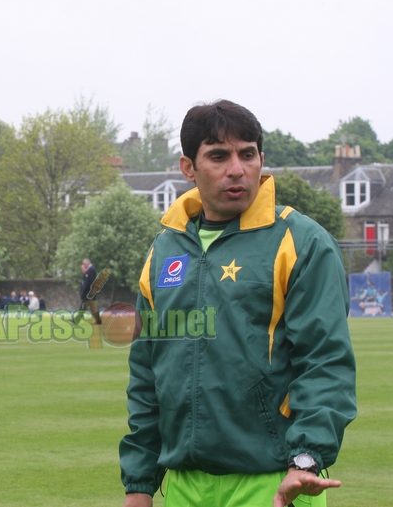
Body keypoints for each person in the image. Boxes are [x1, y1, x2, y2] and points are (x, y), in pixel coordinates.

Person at [119, 100, 356, 507]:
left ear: (261, 159)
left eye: (248, 154)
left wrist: (306, 459)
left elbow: (324, 359)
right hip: (183, 487)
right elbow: (147, 373)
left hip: (276, 483)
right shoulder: (163, 250)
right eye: (218, 156)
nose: (237, 169)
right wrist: (140, 483)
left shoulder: (301, 241)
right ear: (188, 168)